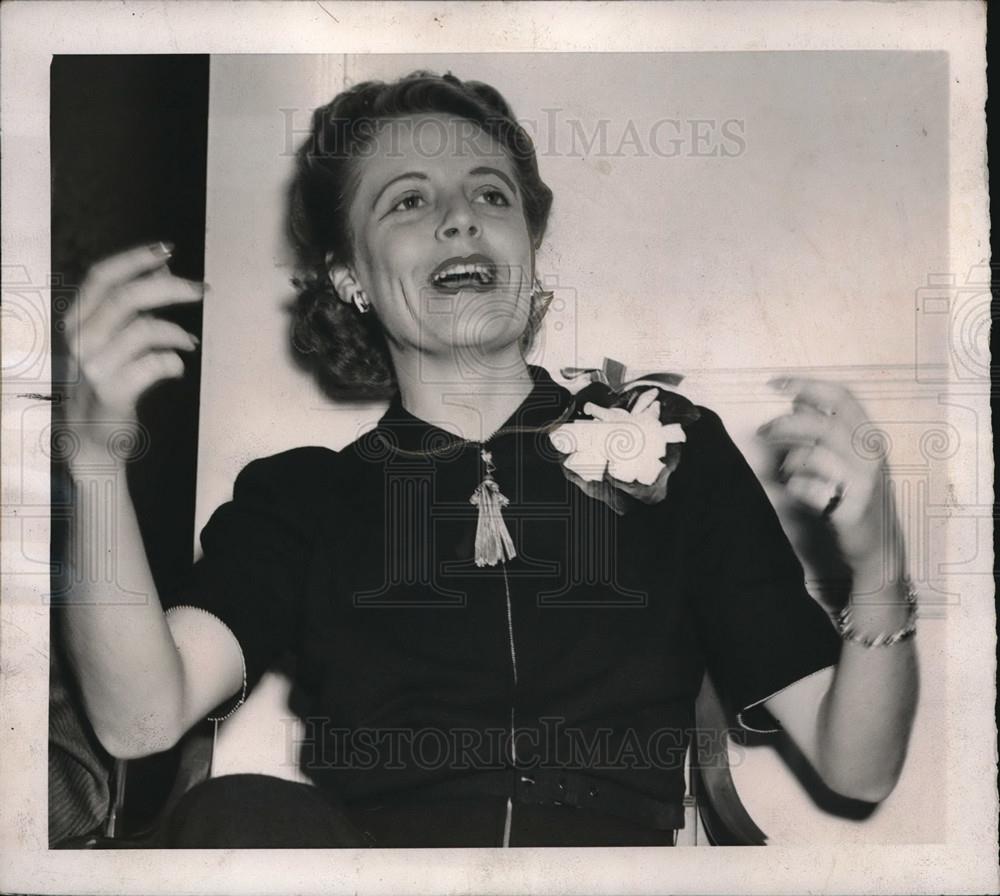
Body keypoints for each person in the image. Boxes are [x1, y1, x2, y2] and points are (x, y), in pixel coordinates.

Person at [57, 71, 919, 848]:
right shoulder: (303, 499)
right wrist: (95, 465)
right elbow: (142, 718)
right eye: (407, 202)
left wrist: (880, 568)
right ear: (350, 277)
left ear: (527, 250)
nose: (460, 216)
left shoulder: (675, 444)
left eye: (490, 195)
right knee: (241, 815)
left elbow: (858, 767)